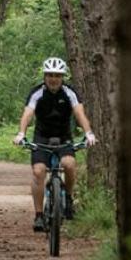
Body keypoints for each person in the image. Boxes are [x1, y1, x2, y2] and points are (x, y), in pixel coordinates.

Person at [13, 57, 96, 233]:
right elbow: (27, 114)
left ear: (62, 77)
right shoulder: (37, 92)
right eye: (50, 75)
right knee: (38, 171)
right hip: (41, 137)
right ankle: (39, 215)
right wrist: (21, 133)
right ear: (45, 76)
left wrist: (88, 133)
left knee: (69, 164)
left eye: (57, 75)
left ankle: (68, 198)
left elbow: (79, 114)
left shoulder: (69, 92)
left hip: (64, 137)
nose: (53, 79)